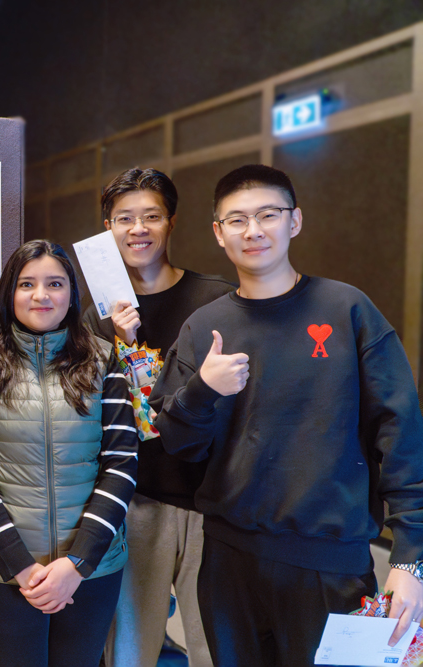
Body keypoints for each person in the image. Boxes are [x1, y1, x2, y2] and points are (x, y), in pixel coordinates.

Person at [149, 164, 423, 665]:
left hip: (330, 563)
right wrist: (202, 391)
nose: (253, 230)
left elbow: (401, 434)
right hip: (230, 561)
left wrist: (410, 557)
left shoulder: (348, 310)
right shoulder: (204, 327)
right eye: (237, 220)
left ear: (294, 221)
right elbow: (179, 443)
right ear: (218, 232)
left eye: (267, 215)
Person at [0, 240, 138, 667]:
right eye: (26, 284)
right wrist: (20, 566)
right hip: (3, 567)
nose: (41, 295)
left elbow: (121, 462)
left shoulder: (103, 358)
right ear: (8, 293)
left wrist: (76, 562)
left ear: (72, 293)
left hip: (91, 566)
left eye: (55, 283)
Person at [83, 168, 233, 667]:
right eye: (124, 219)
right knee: (129, 650)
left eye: (151, 216)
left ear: (171, 223)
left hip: (210, 500)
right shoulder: (93, 317)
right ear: (108, 229)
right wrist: (115, 343)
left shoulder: (216, 299)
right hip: (134, 499)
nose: (138, 229)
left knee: (214, 643)